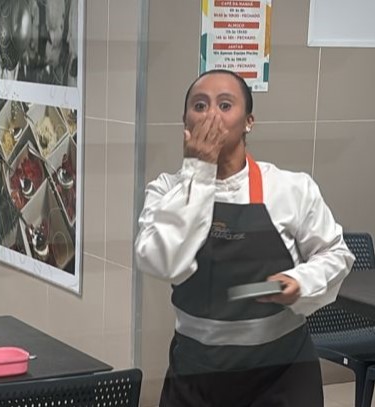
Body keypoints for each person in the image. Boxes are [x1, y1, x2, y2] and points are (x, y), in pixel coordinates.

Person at [134, 69, 354, 406]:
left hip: (281, 374)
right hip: (195, 372)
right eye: (200, 106)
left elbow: (336, 254)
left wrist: (300, 281)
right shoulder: (166, 191)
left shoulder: (290, 188)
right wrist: (198, 171)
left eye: (225, 105)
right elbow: (162, 261)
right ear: (185, 122)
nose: (211, 116)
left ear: (249, 122)